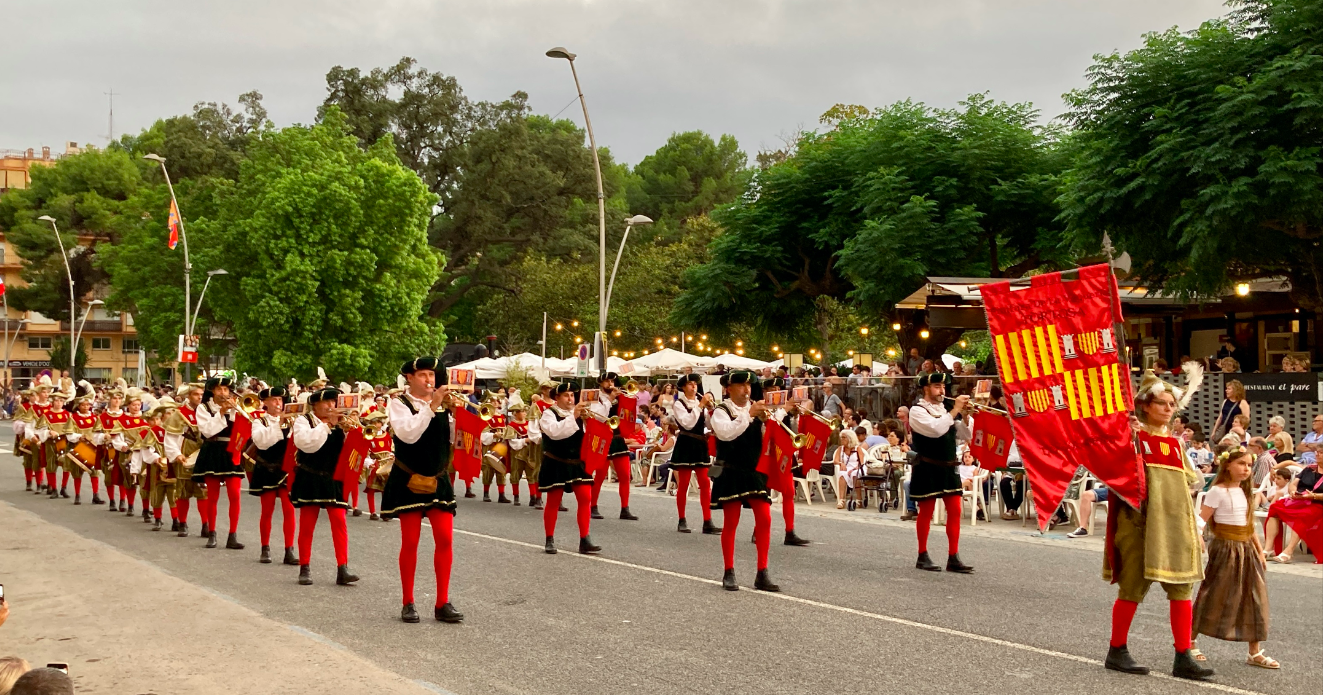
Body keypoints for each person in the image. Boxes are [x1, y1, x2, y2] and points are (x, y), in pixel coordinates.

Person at [1103, 365, 1213, 681]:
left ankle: (1183, 655)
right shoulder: (1133, 437)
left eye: (1171, 404)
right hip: (1139, 526)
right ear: (1145, 406)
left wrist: (1196, 526)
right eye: (1162, 403)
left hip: (1176, 527)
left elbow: (1192, 483)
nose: (1168, 409)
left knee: (1181, 588)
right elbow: (1114, 476)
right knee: (1132, 589)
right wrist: (1127, 438)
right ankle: (1117, 650)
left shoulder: (1177, 445)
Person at [382, 357, 463, 624]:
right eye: (423, 375)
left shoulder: (443, 407)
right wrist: (433, 406)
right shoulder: (398, 403)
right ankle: (408, 601)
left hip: (438, 478)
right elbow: (408, 434)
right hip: (409, 479)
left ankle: (442, 602)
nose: (430, 380)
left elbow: (451, 441)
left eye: (432, 375)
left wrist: (460, 415)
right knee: (411, 542)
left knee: (445, 539)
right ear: (410, 377)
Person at [1190, 446, 1276, 669]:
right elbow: (1201, 520)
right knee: (1214, 592)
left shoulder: (1246, 492)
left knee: (1255, 595)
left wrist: (1259, 550)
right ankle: (1189, 640)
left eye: (1249, 465)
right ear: (1227, 465)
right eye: (1241, 464)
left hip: (1247, 547)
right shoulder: (1218, 491)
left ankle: (1254, 651)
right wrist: (1198, 538)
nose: (1246, 469)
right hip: (1226, 548)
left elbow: (1249, 525)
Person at [709, 370, 779, 592]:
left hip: (755, 471)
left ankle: (762, 572)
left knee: (765, 519)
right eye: (741, 385)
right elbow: (726, 434)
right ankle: (728, 571)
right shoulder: (721, 411)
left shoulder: (757, 409)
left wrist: (780, 414)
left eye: (749, 385)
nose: (747, 389)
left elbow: (770, 435)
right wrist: (749, 414)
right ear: (729, 388)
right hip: (731, 470)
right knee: (731, 522)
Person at [290, 387, 359, 587]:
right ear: (315, 405)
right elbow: (307, 444)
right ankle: (304, 567)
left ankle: (342, 568)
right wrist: (327, 424)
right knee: (307, 523)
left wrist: (352, 431)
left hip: (333, 478)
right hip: (310, 476)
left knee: (339, 521)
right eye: (327, 403)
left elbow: (350, 451)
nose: (331, 406)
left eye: (334, 402)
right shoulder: (303, 422)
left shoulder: (340, 424)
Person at [908, 372, 972, 573]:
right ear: (926, 389)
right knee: (926, 512)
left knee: (955, 510)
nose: (941, 390)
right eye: (937, 386)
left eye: (943, 387)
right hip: (927, 466)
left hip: (948, 466)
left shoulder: (945, 409)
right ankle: (922, 554)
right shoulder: (917, 411)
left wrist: (966, 416)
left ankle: (953, 556)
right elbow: (936, 430)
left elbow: (964, 435)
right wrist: (955, 411)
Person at [538, 382, 599, 555]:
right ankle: (549, 538)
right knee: (553, 501)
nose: (570, 399)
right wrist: (575, 416)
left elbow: (589, 434)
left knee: (585, 498)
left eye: (572, 395)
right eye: (566, 395)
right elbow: (556, 433)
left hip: (577, 462)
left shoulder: (579, 414)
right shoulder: (548, 414)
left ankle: (584, 539)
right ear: (557, 398)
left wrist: (586, 419)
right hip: (556, 461)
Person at [193, 376, 246, 550]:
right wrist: (221, 413)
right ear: (212, 391)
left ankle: (233, 535)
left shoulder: (237, 406)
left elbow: (246, 427)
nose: (223, 393)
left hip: (232, 451)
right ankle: (212, 533)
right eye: (219, 389)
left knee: (235, 494)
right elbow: (207, 431)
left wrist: (238, 411)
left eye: (226, 390)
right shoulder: (203, 407)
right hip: (213, 450)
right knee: (213, 495)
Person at [247, 386, 298, 566]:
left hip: (285, 469)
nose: (279, 403)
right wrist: (278, 423)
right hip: (267, 468)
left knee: (289, 510)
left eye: (281, 400)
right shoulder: (259, 421)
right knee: (267, 510)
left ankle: (289, 550)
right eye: (275, 400)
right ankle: (265, 548)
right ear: (266, 403)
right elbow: (262, 442)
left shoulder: (291, 421)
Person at [668, 374, 719, 534]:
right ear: (684, 387)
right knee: (683, 483)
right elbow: (688, 423)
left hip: (700, 444)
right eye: (690, 384)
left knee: (705, 483)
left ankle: (707, 521)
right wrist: (701, 405)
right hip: (686, 442)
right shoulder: (678, 404)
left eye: (695, 384)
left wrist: (712, 412)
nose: (694, 387)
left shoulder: (700, 403)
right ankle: (682, 519)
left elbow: (708, 424)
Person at [588, 372, 637, 521]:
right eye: (607, 381)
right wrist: (610, 399)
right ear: (600, 383)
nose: (611, 384)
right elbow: (597, 416)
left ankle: (625, 508)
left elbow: (628, 412)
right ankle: (593, 506)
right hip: (602, 437)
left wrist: (628, 398)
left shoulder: (618, 397)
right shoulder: (594, 397)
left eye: (612, 381)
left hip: (617, 438)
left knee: (625, 475)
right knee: (600, 475)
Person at [163, 383, 206, 538]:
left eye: (201, 394)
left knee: (204, 492)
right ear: (189, 396)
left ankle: (206, 524)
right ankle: (183, 523)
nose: (199, 397)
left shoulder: (207, 412)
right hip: (185, 455)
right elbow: (170, 438)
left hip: (203, 455)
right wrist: (176, 454)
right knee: (183, 492)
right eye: (196, 394)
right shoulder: (179, 414)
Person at [1262, 457, 1323, 564]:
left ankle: (1288, 551)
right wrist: (1293, 492)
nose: (1317, 454)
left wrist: (1313, 496)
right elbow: (1293, 484)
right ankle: (1268, 549)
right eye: (1317, 452)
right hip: (1300, 500)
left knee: (1303, 514)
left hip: (1318, 504)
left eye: (1321, 452)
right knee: (1275, 508)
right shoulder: (1309, 469)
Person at [65, 384, 102, 505]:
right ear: (78, 406)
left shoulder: (95, 418)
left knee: (94, 472)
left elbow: (99, 432)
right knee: (77, 472)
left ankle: (96, 495)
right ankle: (77, 495)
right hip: (78, 447)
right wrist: (79, 437)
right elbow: (69, 434)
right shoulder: (73, 418)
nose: (85, 407)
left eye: (88, 405)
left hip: (92, 448)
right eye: (83, 405)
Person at [505, 403, 542, 508]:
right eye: (522, 411)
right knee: (516, 475)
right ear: (516, 413)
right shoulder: (511, 426)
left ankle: (533, 497)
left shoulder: (530, 425)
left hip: (530, 454)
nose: (525, 413)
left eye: (526, 411)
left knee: (532, 475)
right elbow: (512, 442)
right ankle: (516, 496)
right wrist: (525, 440)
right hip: (518, 454)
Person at [832, 429, 866, 510]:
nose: (842, 439)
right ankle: (841, 500)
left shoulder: (858, 449)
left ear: (850, 438)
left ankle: (859, 499)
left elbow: (861, 462)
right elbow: (835, 460)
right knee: (842, 474)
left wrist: (855, 468)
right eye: (841, 437)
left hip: (857, 467)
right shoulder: (840, 449)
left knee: (855, 474)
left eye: (844, 438)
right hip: (847, 468)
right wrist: (841, 463)